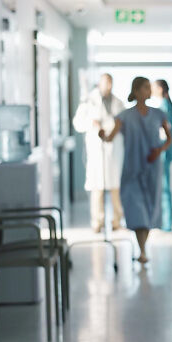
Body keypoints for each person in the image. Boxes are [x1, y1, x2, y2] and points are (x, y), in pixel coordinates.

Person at [101, 77, 172, 263]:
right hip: (132, 169)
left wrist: (160, 150)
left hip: (152, 168)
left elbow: (169, 140)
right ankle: (142, 250)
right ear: (137, 90)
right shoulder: (124, 116)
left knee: (148, 209)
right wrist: (103, 135)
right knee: (136, 208)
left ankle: (142, 249)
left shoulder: (159, 114)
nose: (149, 91)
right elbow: (110, 137)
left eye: (150, 87)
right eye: (146, 87)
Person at [72, 73, 125, 233]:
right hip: (96, 148)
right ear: (99, 84)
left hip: (113, 149)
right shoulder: (89, 101)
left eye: (110, 83)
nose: (108, 86)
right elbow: (78, 123)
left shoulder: (118, 102)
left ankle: (117, 221)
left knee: (115, 186)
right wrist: (92, 123)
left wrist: (110, 127)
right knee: (97, 188)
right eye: (105, 83)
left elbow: (122, 122)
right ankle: (97, 222)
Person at [153, 79, 172, 232]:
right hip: (164, 151)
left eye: (153, 87)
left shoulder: (164, 106)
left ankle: (166, 223)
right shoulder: (166, 105)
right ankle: (165, 222)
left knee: (164, 187)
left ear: (160, 89)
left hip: (163, 151)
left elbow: (163, 132)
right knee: (163, 187)